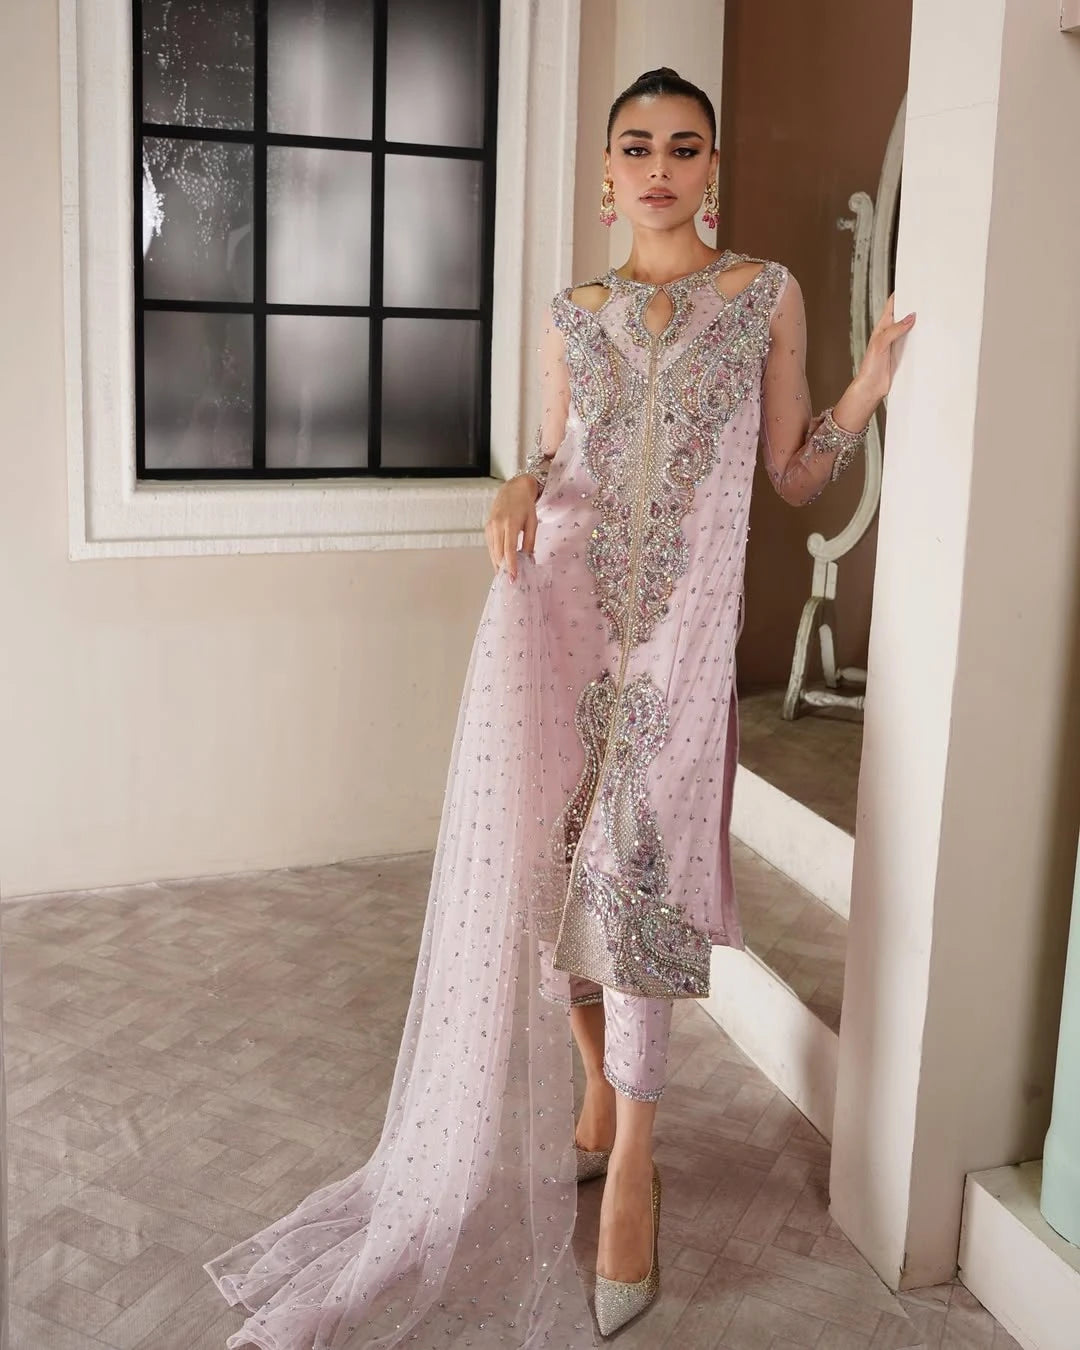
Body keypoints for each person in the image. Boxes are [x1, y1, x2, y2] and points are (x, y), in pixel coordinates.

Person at [205, 68, 914, 1348]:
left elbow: (794, 474)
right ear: (606, 173)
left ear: (713, 168)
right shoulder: (571, 312)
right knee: (552, 866)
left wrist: (860, 394)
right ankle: (594, 1090)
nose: (660, 169)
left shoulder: (763, 294)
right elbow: (553, 453)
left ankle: (635, 1159)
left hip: (683, 637)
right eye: (637, 148)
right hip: (560, 610)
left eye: (684, 148)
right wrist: (515, 487)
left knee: (634, 876)